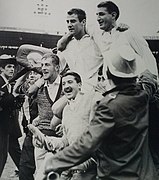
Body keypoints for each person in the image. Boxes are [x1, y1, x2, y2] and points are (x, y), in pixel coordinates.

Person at [42, 45, 158, 180]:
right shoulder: (142, 95)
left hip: (117, 176)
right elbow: (149, 77)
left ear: (108, 73)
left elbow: (87, 144)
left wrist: (55, 162)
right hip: (145, 175)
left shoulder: (108, 107)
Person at [28, 71, 103, 180]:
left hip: (89, 164)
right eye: (63, 84)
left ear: (80, 85)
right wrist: (48, 142)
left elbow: (97, 137)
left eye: (70, 82)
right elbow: (66, 140)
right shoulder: (66, 110)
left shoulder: (91, 101)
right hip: (72, 163)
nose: (66, 86)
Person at [57, 1, 158, 79]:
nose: (97, 18)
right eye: (96, 15)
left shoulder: (128, 33)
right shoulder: (96, 32)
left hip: (130, 84)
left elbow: (148, 57)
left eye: (101, 14)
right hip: (109, 85)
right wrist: (67, 35)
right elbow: (75, 30)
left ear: (113, 15)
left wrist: (153, 83)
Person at [31, 52, 63, 173]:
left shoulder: (67, 84)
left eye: (47, 65)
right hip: (42, 138)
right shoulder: (38, 86)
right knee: (41, 174)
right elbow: (19, 90)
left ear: (57, 68)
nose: (43, 68)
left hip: (61, 138)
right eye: (42, 65)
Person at [58, 8, 103, 93]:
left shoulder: (94, 41)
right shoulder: (68, 44)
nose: (69, 24)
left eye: (73, 21)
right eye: (67, 22)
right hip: (73, 92)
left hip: (91, 91)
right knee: (56, 107)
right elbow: (59, 53)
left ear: (83, 22)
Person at [14, 52, 42, 180]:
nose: (32, 75)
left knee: (43, 169)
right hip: (31, 130)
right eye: (31, 73)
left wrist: (38, 75)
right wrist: (26, 71)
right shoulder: (28, 86)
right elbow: (16, 89)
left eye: (35, 72)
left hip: (44, 130)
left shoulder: (45, 85)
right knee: (25, 168)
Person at [0, 54, 24, 177]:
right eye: (8, 67)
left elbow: (10, 104)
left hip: (9, 125)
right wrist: (14, 95)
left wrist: (18, 99)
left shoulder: (7, 83)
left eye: (13, 67)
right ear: (1, 69)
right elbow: (3, 101)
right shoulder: (0, 82)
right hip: (2, 126)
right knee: (2, 155)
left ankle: (25, 175)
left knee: (15, 151)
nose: (12, 69)